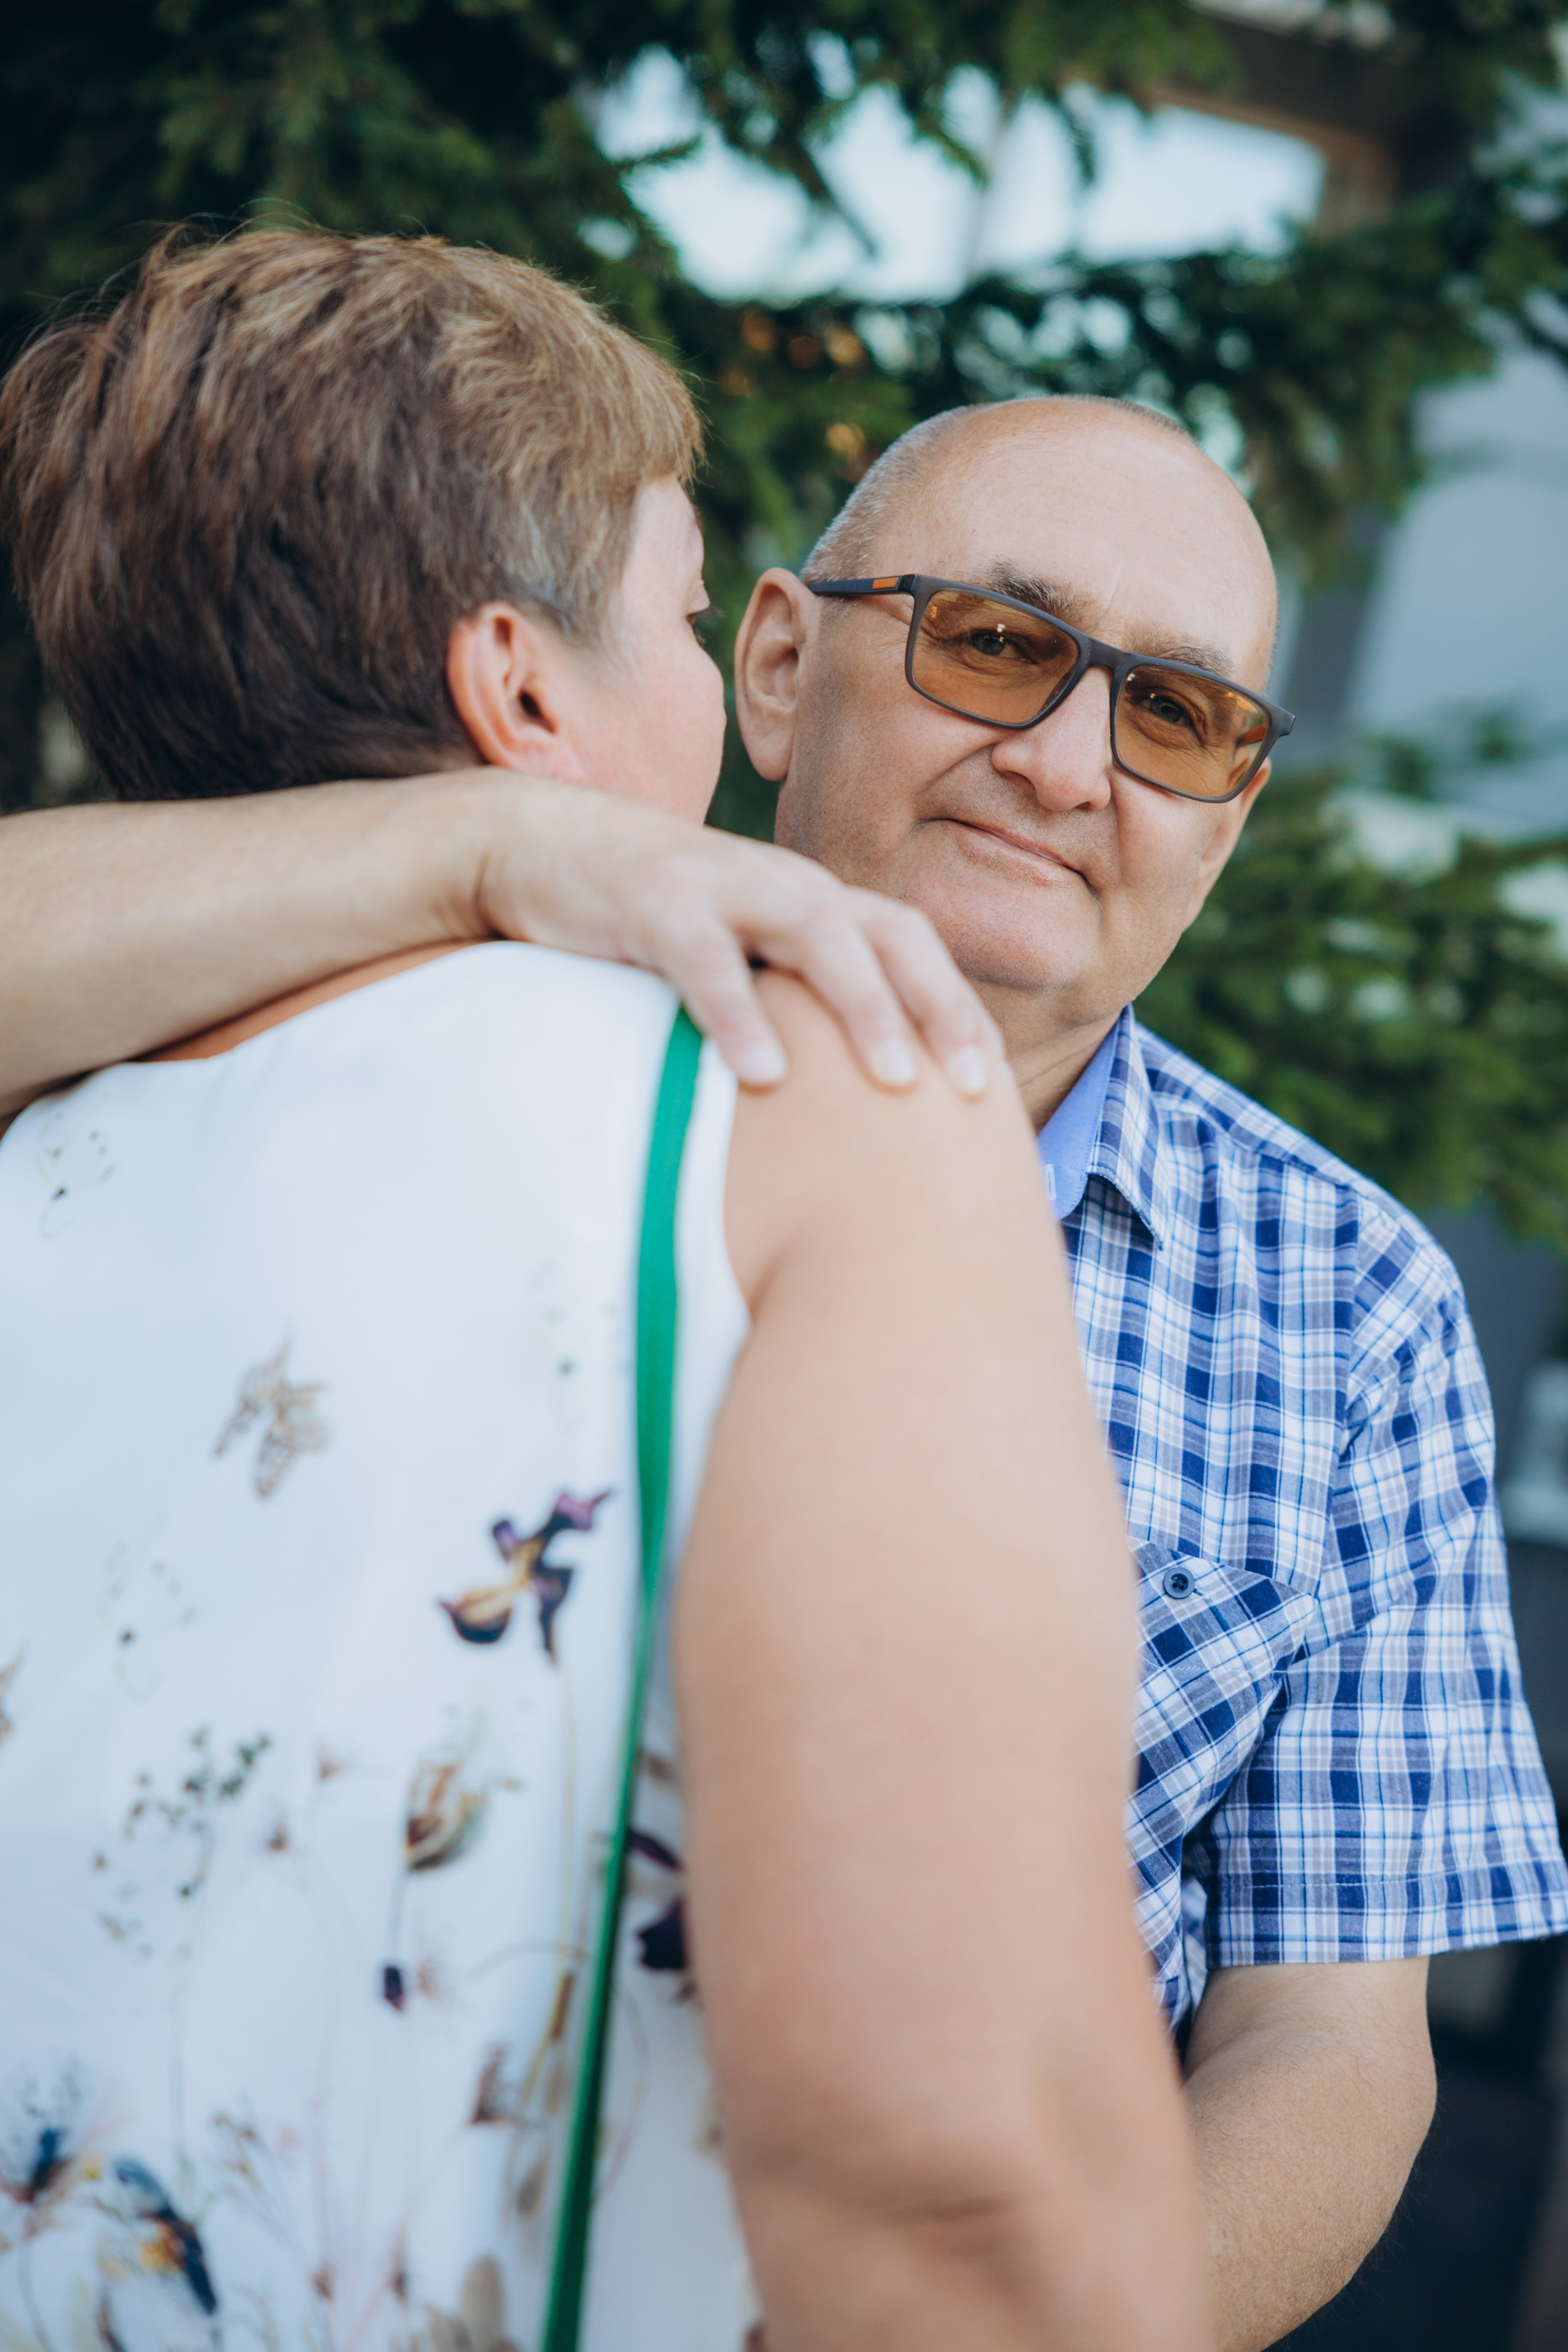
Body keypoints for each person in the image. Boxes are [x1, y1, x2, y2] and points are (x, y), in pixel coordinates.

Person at [4, 243, 1566, 2352]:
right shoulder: (286, 1029)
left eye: (1181, 716)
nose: (1076, 762)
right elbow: (942, 2178)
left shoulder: (1354, 1301)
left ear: (1231, 817)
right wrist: (474, 853)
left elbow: (1338, 2028)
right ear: (762, 669)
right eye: (999, 644)